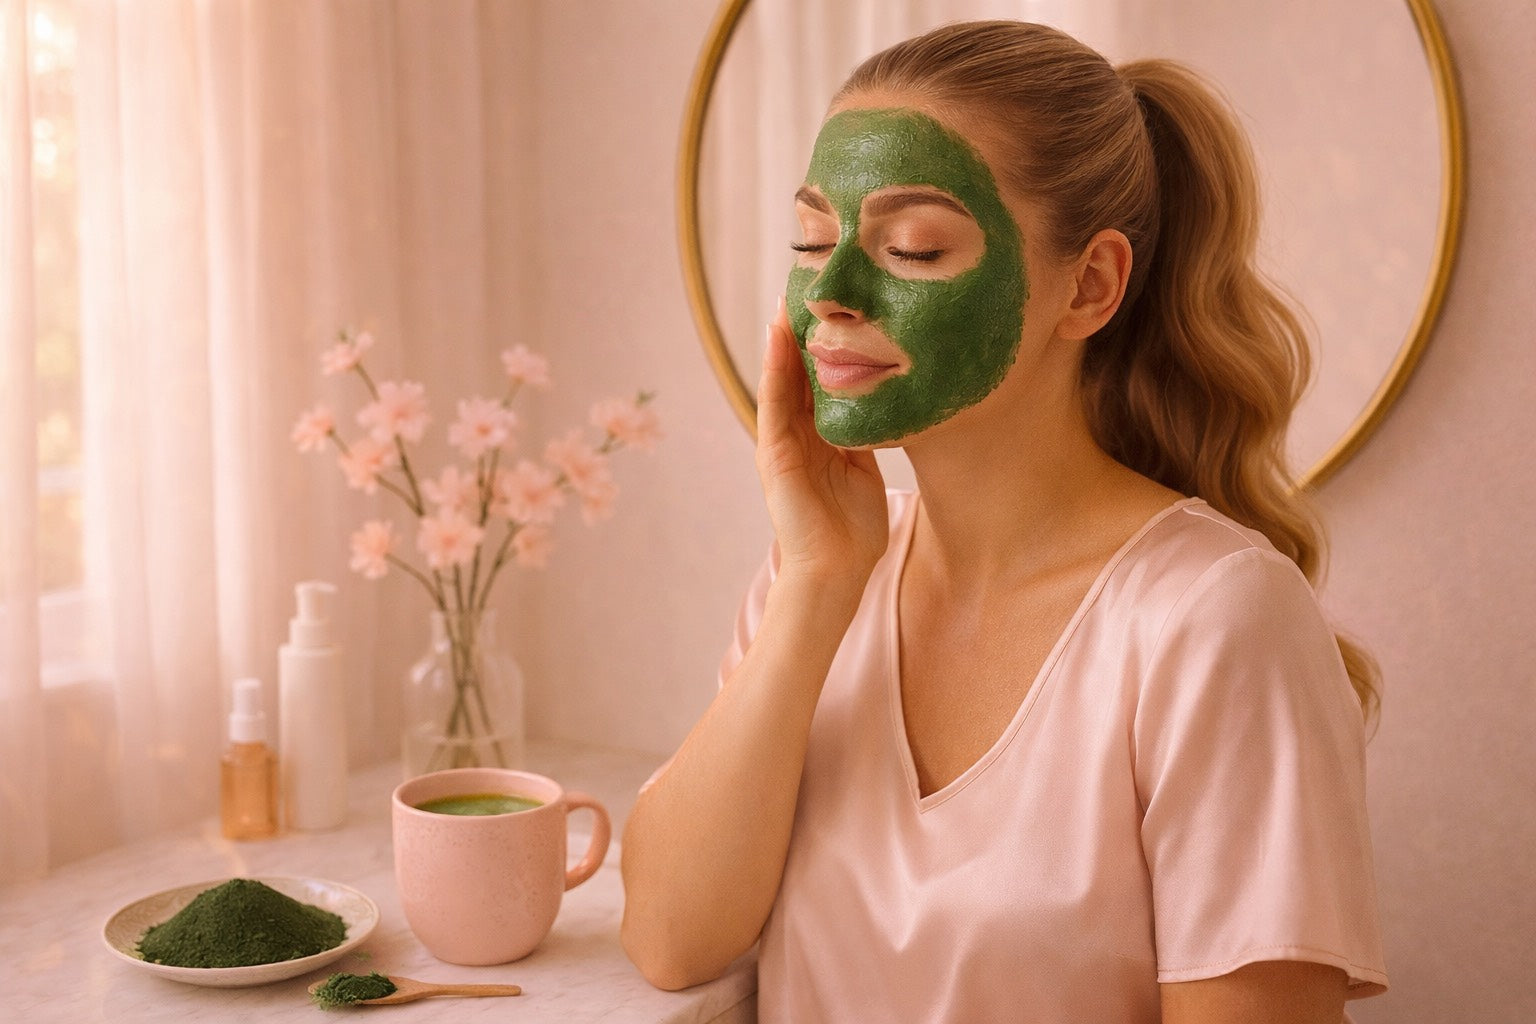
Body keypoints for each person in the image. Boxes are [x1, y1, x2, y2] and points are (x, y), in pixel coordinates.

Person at [621, 20, 1387, 1024]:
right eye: (811, 242)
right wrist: (814, 587)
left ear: (1092, 285)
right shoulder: (821, 575)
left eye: (912, 246)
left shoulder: (1213, 619)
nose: (833, 295)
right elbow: (673, 938)